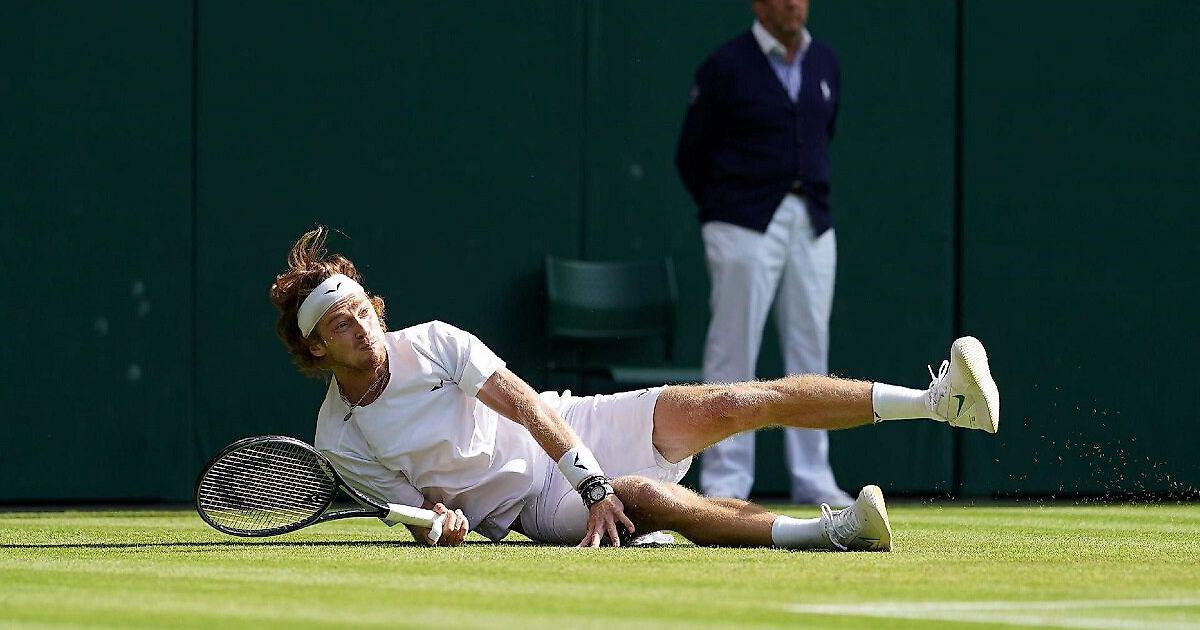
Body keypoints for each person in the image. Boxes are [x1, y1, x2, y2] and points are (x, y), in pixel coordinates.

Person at [268, 227, 1000, 550]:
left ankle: (937, 402)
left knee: (729, 403)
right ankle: (833, 533)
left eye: (361, 309)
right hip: (530, 507)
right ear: (316, 348)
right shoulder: (338, 438)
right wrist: (440, 525)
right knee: (643, 498)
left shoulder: (433, 342)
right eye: (339, 324)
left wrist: (588, 481)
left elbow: (523, 404)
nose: (360, 326)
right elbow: (417, 508)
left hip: (568, 427)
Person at [675, 0, 850, 504]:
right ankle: (726, 480)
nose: (793, 3)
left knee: (811, 348)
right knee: (734, 348)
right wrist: (725, 211)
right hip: (742, 221)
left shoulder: (825, 62)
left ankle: (813, 476)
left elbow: (823, 132)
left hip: (811, 221)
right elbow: (691, 154)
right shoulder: (725, 66)